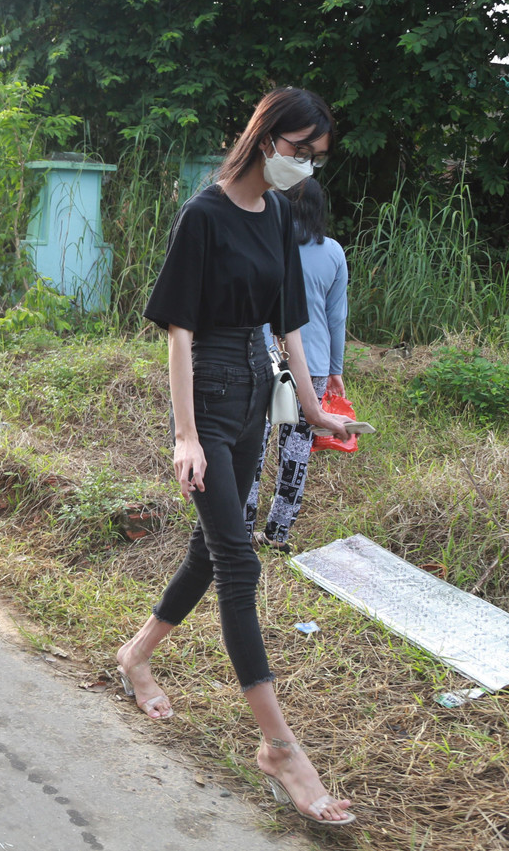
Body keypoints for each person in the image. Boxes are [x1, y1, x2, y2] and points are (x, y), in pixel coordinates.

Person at [117, 89, 356, 825]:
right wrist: (185, 434)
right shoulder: (204, 214)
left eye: (313, 156)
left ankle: (134, 654)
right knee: (240, 558)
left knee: (210, 545)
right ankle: (281, 748)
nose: (303, 167)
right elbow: (178, 332)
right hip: (208, 394)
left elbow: (288, 321)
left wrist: (312, 408)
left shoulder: (280, 214)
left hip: (255, 386)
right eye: (296, 150)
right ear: (263, 140)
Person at [244, 178, 350, 553]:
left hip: (262, 357)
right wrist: (336, 368)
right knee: (297, 448)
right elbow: (337, 318)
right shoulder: (333, 252)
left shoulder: (264, 242)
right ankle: (278, 534)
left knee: (253, 443)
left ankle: (242, 530)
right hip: (316, 366)